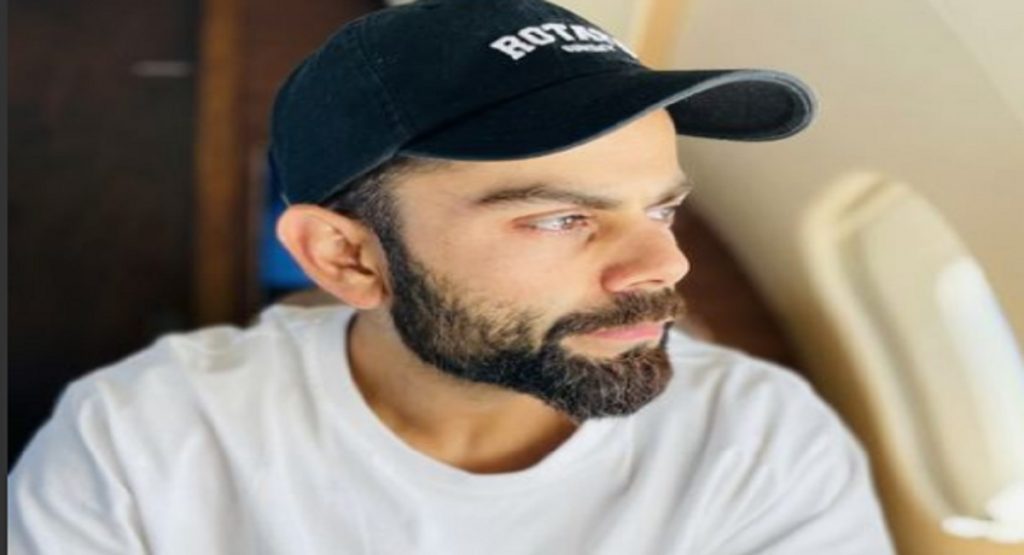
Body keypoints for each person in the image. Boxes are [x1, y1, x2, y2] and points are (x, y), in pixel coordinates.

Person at [8, 0, 896, 553]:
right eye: (561, 218)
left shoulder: (759, 441)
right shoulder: (143, 442)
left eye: (661, 210)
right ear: (347, 256)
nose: (665, 265)